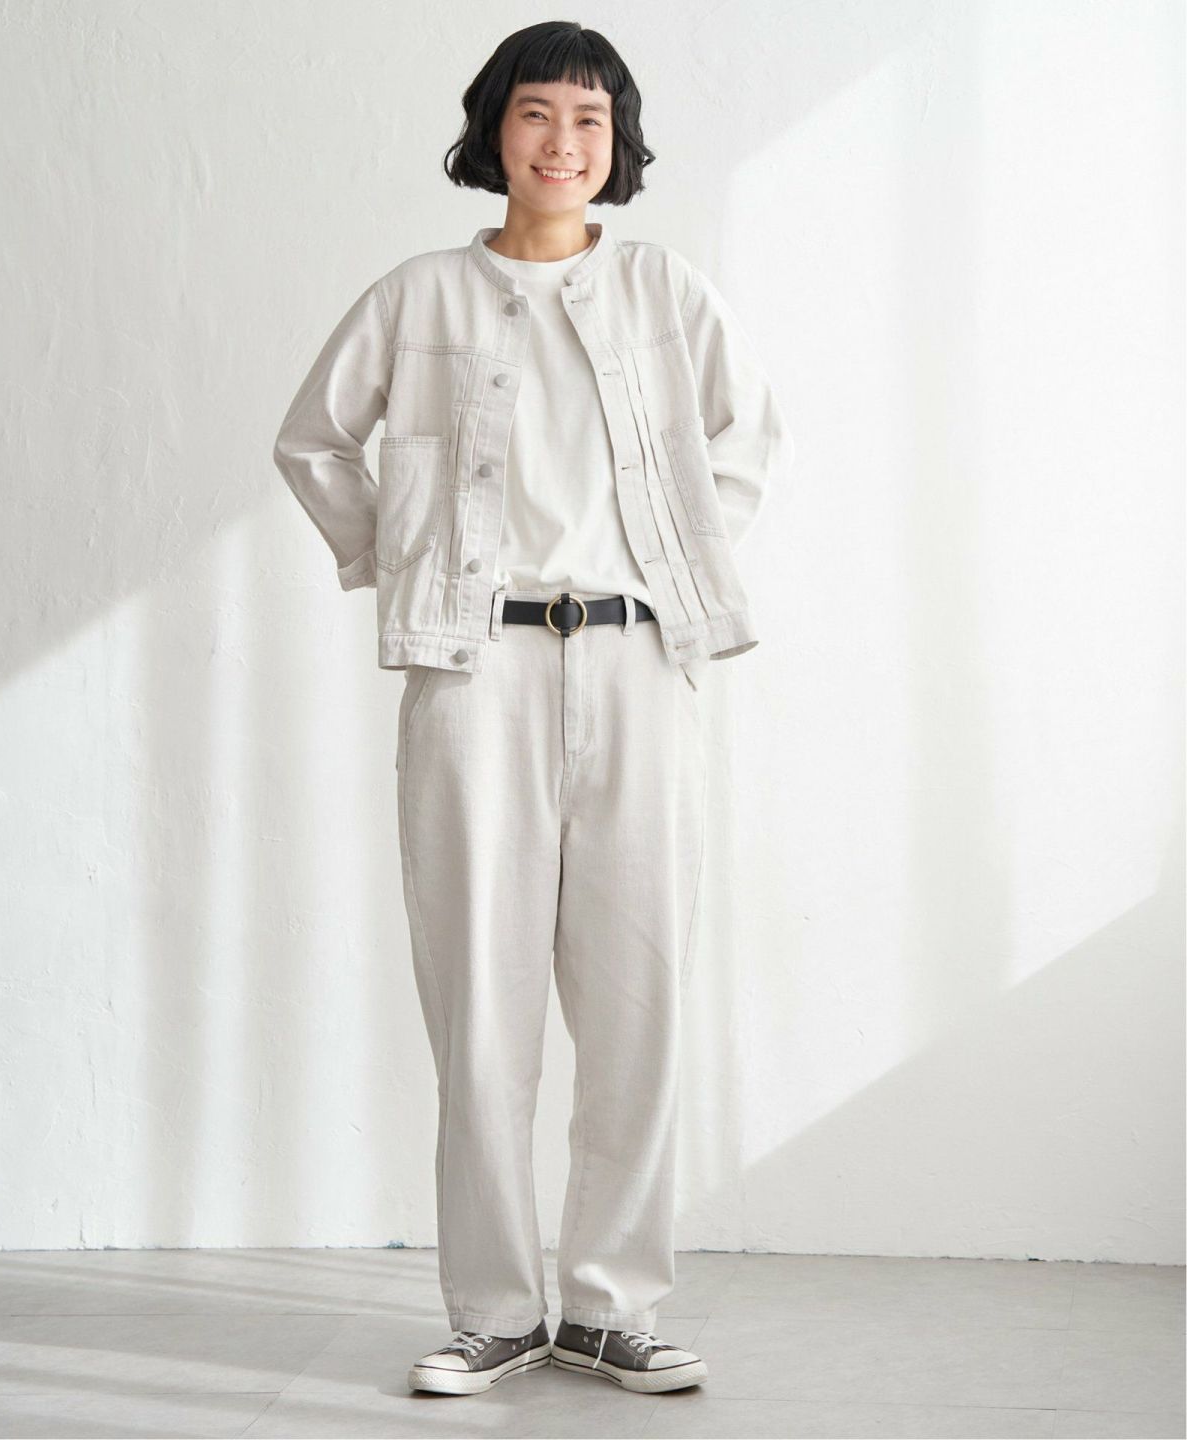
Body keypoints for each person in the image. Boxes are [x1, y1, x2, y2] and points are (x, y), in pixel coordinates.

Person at [272, 19, 791, 1398]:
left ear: (619, 144)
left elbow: (751, 438)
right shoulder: (421, 296)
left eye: (590, 120)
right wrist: (399, 559)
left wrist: (676, 563)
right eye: (537, 114)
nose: (564, 143)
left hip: (637, 665)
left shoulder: (664, 289)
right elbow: (313, 440)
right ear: (492, 129)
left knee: (638, 998)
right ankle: (495, 1310)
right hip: (472, 671)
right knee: (479, 1002)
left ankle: (612, 1306)